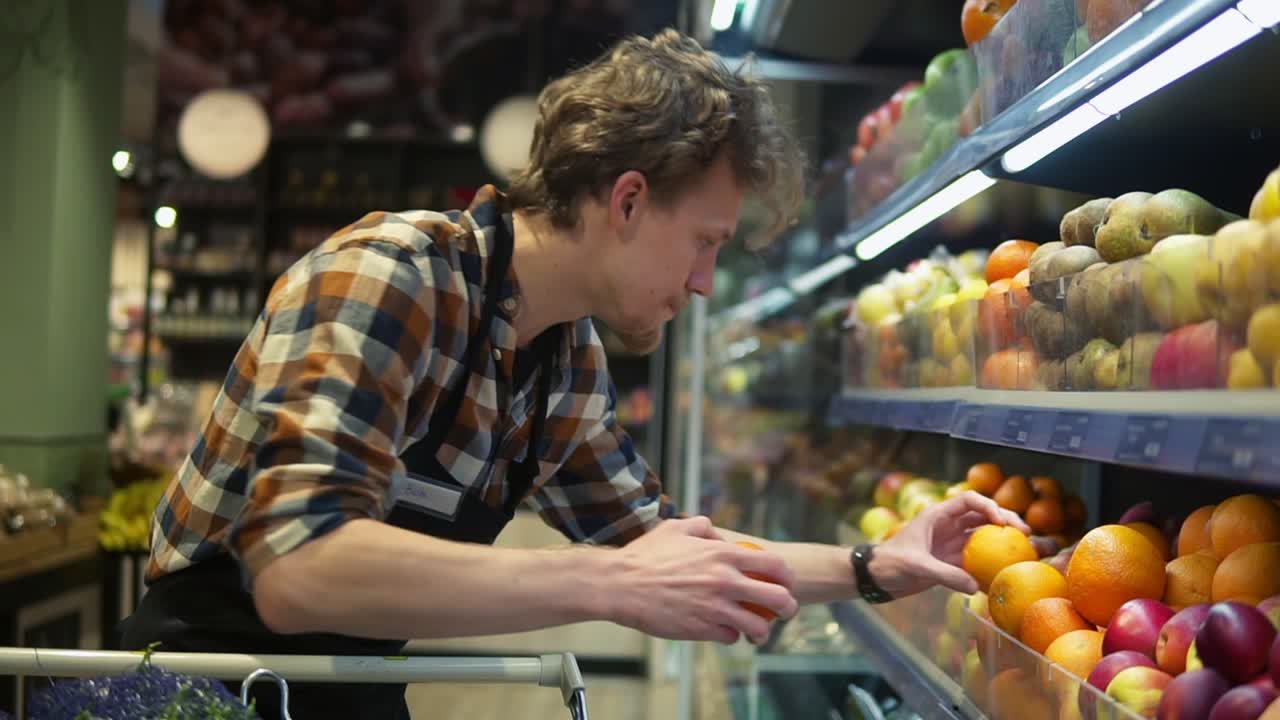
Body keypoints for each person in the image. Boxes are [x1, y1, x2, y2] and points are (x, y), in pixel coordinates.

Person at [122, 29, 1034, 719]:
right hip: (196, 687)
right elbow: (299, 570)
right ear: (629, 200)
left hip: (343, 691)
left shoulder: (563, 359)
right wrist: (606, 585)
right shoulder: (391, 275)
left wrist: (877, 564)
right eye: (706, 242)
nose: (707, 282)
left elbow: (665, 548)